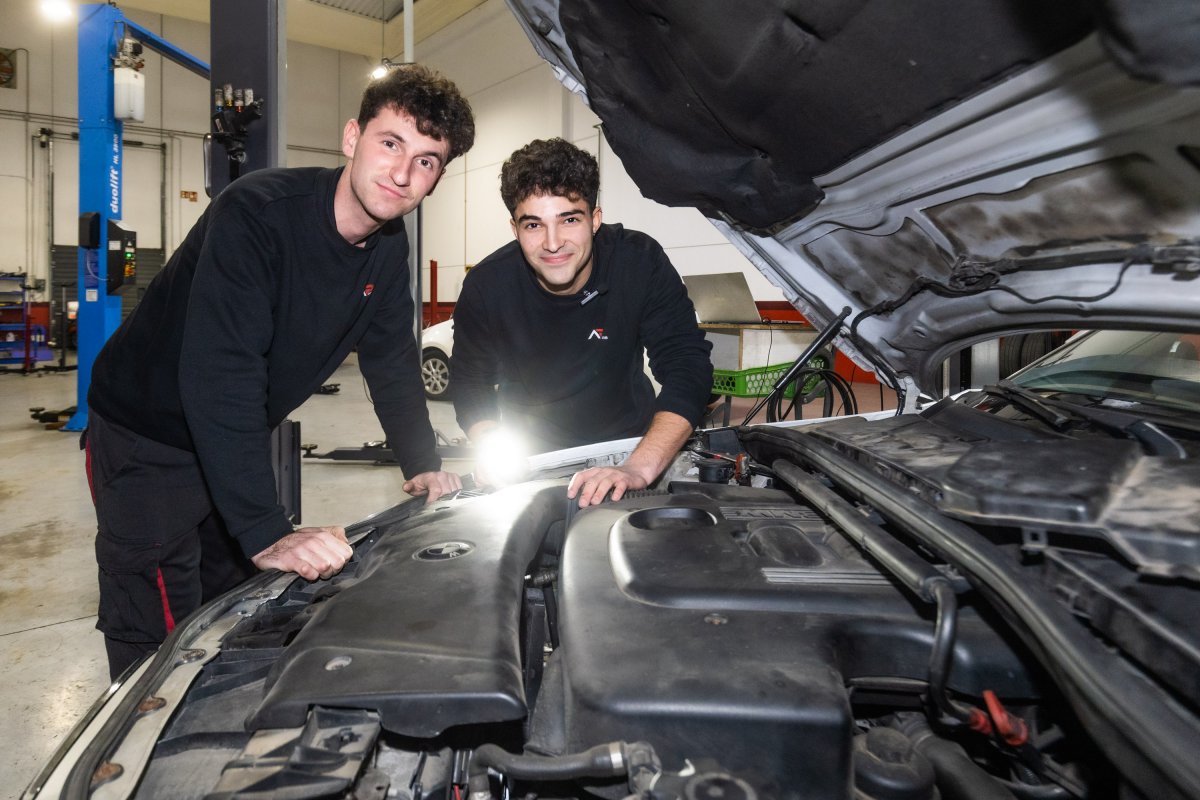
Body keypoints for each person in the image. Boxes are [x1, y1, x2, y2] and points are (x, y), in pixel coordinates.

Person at [85, 64, 474, 678]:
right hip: (147, 439)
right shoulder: (259, 213)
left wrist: (423, 465)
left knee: (237, 609)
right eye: (391, 143)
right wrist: (269, 529)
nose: (402, 173)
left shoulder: (388, 247)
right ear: (352, 138)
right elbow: (221, 373)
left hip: (228, 438)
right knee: (159, 638)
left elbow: (393, 364)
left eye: (427, 160)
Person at [451, 138, 713, 508]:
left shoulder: (638, 262)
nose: (553, 243)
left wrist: (638, 467)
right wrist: (491, 447)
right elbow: (469, 383)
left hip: (630, 449)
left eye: (569, 219)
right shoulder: (486, 286)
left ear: (595, 219)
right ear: (514, 228)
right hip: (528, 463)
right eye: (533, 225)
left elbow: (687, 365)